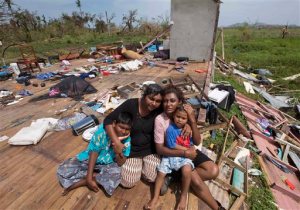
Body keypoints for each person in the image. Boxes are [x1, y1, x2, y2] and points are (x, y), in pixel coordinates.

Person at [154, 86, 223, 210]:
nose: (168, 104)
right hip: (174, 154)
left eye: (172, 101)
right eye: (165, 101)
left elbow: (197, 141)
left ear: (179, 102)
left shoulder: (185, 113)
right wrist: (185, 154)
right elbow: (160, 149)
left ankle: (179, 178)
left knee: (213, 170)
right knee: (195, 180)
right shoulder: (161, 120)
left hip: (189, 149)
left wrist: (191, 122)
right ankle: (217, 207)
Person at [57, 112, 133, 196]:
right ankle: (90, 178)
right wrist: (90, 178)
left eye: (127, 129)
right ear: (114, 124)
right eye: (121, 127)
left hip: (108, 164)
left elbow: (120, 162)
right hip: (90, 158)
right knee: (64, 169)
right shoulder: (102, 131)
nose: (124, 131)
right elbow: (94, 153)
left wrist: (118, 151)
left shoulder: (127, 140)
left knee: (116, 175)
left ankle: (83, 181)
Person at [103, 84, 164, 188]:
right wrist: (116, 142)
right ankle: (138, 168)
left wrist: (188, 126)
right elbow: (108, 120)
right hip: (131, 150)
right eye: (151, 99)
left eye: (158, 101)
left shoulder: (159, 109)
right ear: (144, 96)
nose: (154, 103)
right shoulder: (131, 104)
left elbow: (176, 113)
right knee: (128, 182)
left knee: (153, 177)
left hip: (149, 149)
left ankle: (142, 169)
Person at [146, 105, 201, 210]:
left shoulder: (188, 130)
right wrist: (187, 150)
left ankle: (183, 196)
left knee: (187, 170)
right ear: (173, 116)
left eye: (183, 118)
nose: (180, 120)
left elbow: (193, 143)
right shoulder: (171, 129)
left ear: (187, 120)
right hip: (171, 155)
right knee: (161, 173)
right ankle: (155, 198)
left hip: (183, 157)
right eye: (178, 116)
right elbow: (171, 145)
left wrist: (190, 148)